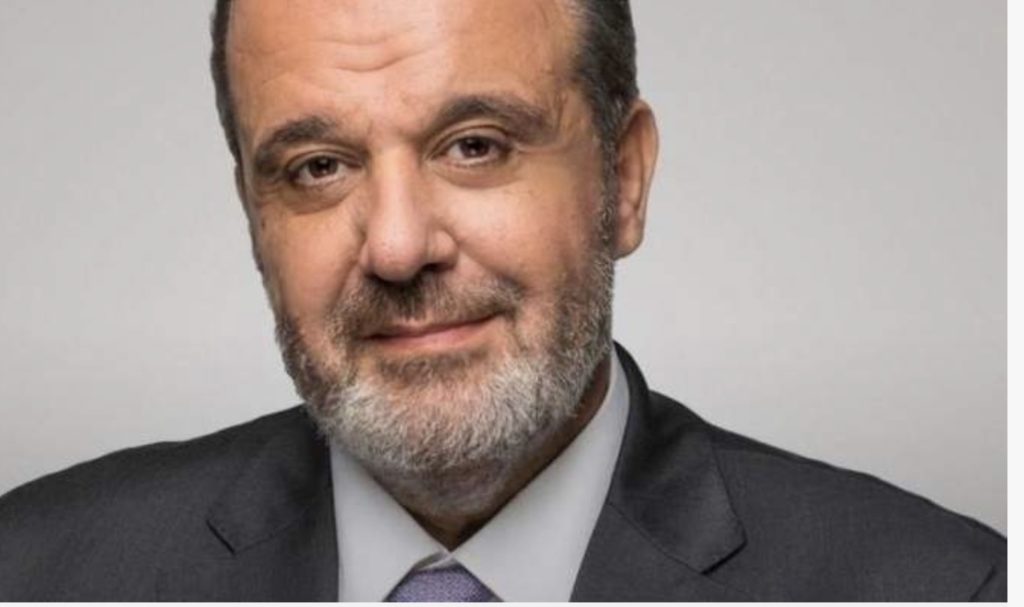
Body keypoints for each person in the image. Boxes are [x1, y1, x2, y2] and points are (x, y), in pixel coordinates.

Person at [0, 0, 1006, 601]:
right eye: (317, 166)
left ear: (624, 180)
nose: (398, 246)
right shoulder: (37, 572)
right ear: (254, 217)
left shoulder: (938, 588)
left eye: (475, 145)